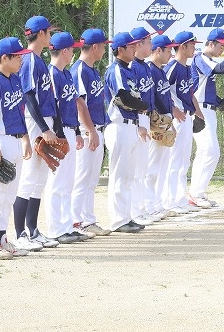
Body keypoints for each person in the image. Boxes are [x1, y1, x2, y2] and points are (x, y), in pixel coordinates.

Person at [0, 37, 33, 259]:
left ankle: (1, 239)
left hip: (15, 140)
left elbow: (20, 111)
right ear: (4, 58)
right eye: (17, 56)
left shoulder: (15, 79)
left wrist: (25, 138)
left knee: (10, 195)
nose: (21, 60)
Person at [14, 15, 61, 252]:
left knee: (40, 179)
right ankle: (20, 233)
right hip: (35, 122)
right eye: (49, 32)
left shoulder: (38, 60)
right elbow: (29, 96)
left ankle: (33, 230)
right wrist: (44, 128)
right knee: (29, 177)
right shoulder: (30, 59)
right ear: (41, 34)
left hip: (43, 121)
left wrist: (54, 127)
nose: (50, 36)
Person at [104, 31, 148, 233]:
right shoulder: (115, 70)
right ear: (120, 49)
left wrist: (139, 111)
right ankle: (118, 220)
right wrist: (143, 106)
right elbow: (122, 97)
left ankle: (126, 216)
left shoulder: (128, 70)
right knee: (120, 176)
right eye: (131, 46)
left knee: (128, 175)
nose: (135, 48)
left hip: (130, 125)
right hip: (119, 125)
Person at [45, 31, 87, 244]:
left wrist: (77, 132)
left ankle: (67, 226)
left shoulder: (67, 74)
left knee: (68, 182)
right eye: (72, 49)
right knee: (57, 182)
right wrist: (60, 134)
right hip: (59, 132)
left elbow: (71, 105)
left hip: (70, 129)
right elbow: (54, 107)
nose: (74, 53)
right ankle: (56, 229)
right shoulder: (51, 74)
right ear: (64, 51)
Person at [71, 28, 113, 237]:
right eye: (104, 46)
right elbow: (79, 104)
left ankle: (88, 220)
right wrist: (90, 131)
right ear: (94, 47)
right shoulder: (79, 70)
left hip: (96, 129)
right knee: (81, 178)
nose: (105, 50)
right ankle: (75, 221)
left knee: (91, 179)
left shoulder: (93, 70)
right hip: (86, 131)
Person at [189, 28, 224, 208]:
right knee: (209, 151)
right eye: (221, 46)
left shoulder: (207, 61)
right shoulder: (201, 58)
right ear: (210, 43)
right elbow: (223, 68)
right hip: (199, 110)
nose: (223, 49)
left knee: (207, 152)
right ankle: (196, 194)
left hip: (209, 110)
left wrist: (221, 102)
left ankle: (197, 193)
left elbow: (206, 90)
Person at [163, 31, 204, 214]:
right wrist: (173, 110)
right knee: (174, 161)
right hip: (177, 118)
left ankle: (180, 199)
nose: (194, 48)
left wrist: (199, 114)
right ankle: (169, 201)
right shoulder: (172, 67)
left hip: (186, 117)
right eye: (192, 45)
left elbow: (190, 94)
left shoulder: (187, 68)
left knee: (184, 161)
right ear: (182, 47)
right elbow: (161, 91)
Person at [129, 26, 159, 226]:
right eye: (148, 42)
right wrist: (140, 122)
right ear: (138, 44)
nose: (151, 45)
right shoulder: (132, 67)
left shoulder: (146, 66)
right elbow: (133, 98)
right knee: (137, 169)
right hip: (137, 119)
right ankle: (135, 211)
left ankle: (141, 208)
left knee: (143, 168)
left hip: (146, 118)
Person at [146, 34, 179, 218]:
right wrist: (156, 123)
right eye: (168, 50)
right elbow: (151, 100)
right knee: (151, 167)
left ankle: (157, 203)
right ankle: (148, 205)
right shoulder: (150, 70)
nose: (171, 54)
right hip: (156, 123)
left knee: (161, 166)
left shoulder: (160, 70)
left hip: (165, 121)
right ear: (158, 50)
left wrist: (170, 122)